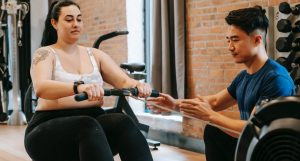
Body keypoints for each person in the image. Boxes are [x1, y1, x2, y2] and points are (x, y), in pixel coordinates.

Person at [148, 5, 295, 161]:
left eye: (235, 40)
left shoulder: (276, 79)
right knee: (215, 131)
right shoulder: (244, 77)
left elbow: (253, 130)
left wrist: (210, 116)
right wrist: (174, 104)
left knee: (214, 126)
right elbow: (215, 101)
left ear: (257, 40)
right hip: (251, 147)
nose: (230, 47)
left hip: (270, 154)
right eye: (228, 40)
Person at [24, 1, 153, 161]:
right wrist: (78, 88)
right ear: (54, 23)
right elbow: (41, 87)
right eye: (69, 19)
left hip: (93, 127)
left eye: (79, 19)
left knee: (122, 121)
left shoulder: (95, 55)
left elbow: (124, 82)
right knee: (87, 125)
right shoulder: (45, 53)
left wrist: (138, 85)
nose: (75, 24)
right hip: (47, 128)